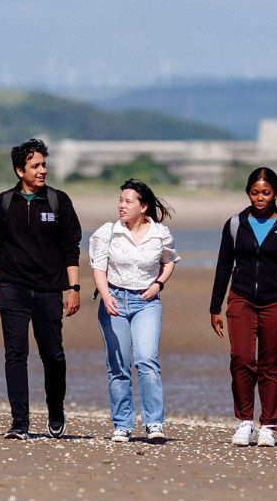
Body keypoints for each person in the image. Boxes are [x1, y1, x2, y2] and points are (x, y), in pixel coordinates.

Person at [0, 138, 83, 440]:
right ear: (19, 170)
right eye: (35, 166)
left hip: (49, 289)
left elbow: (71, 248)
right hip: (12, 287)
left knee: (53, 354)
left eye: (44, 165)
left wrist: (74, 288)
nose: (42, 171)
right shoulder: (4, 202)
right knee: (15, 355)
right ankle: (19, 422)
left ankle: (55, 409)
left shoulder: (58, 201)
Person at [209, 167, 277, 447]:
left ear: (276, 193)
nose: (260, 198)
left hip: (276, 301)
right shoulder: (234, 225)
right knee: (241, 359)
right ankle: (244, 421)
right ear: (248, 193)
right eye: (255, 192)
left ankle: (268, 425)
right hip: (241, 299)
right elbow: (223, 267)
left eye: (266, 192)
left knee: (272, 363)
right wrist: (215, 307)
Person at [88, 179, 178, 443]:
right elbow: (98, 268)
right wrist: (106, 296)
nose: (122, 206)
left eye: (128, 201)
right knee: (118, 364)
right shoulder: (108, 232)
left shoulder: (159, 233)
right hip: (114, 299)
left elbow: (169, 261)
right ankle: (122, 424)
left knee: (147, 359)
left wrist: (159, 284)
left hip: (146, 302)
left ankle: (154, 423)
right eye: (120, 200)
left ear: (143, 206)